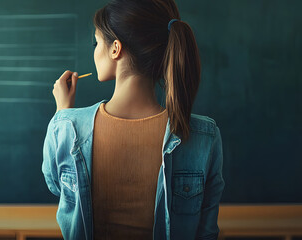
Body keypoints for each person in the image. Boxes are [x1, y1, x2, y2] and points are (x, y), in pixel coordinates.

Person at [42, 0, 225, 239]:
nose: (95, 51)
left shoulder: (67, 128)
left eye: (96, 42)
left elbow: (56, 187)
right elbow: (207, 232)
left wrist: (63, 113)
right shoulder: (204, 135)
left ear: (115, 48)